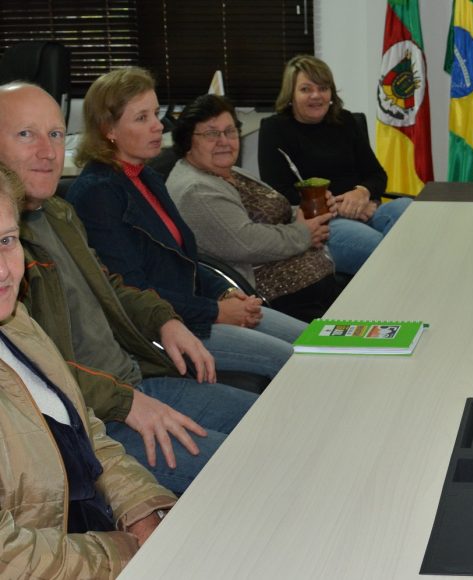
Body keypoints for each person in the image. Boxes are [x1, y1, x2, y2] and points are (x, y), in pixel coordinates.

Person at [0, 81, 256, 494]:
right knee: (249, 465)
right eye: (26, 134)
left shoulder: (59, 213)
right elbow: (30, 371)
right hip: (93, 420)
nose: (48, 152)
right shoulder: (9, 250)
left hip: (134, 380)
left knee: (269, 420)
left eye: (56, 134)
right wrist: (126, 402)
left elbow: (110, 286)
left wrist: (164, 320)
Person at [66, 67, 304, 377]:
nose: (157, 126)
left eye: (156, 114)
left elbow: (185, 259)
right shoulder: (98, 193)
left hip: (196, 308)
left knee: (309, 339)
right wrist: (216, 311)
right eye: (142, 118)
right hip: (164, 330)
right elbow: (132, 292)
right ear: (108, 128)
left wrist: (225, 292)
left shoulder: (147, 176)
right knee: (292, 360)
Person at [0, 162, 176, 578]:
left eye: (6, 240)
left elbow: (86, 432)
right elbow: (9, 560)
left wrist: (141, 510)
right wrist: (124, 552)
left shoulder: (17, 323)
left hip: (94, 543)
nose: (3, 270)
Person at [168, 94, 345, 322]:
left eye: (230, 131)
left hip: (314, 275)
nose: (224, 141)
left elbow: (274, 212)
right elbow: (247, 242)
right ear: (187, 141)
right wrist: (304, 233)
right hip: (276, 298)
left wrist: (311, 210)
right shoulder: (196, 191)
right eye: (212, 134)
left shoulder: (227, 171)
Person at [258, 54, 410, 275]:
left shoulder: (345, 121)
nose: (316, 95)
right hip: (322, 222)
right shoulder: (275, 129)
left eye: (323, 88)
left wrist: (362, 193)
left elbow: (377, 175)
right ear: (290, 94)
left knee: (408, 210)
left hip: (364, 210)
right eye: (306, 89)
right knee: (379, 247)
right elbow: (278, 193)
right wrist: (338, 207)